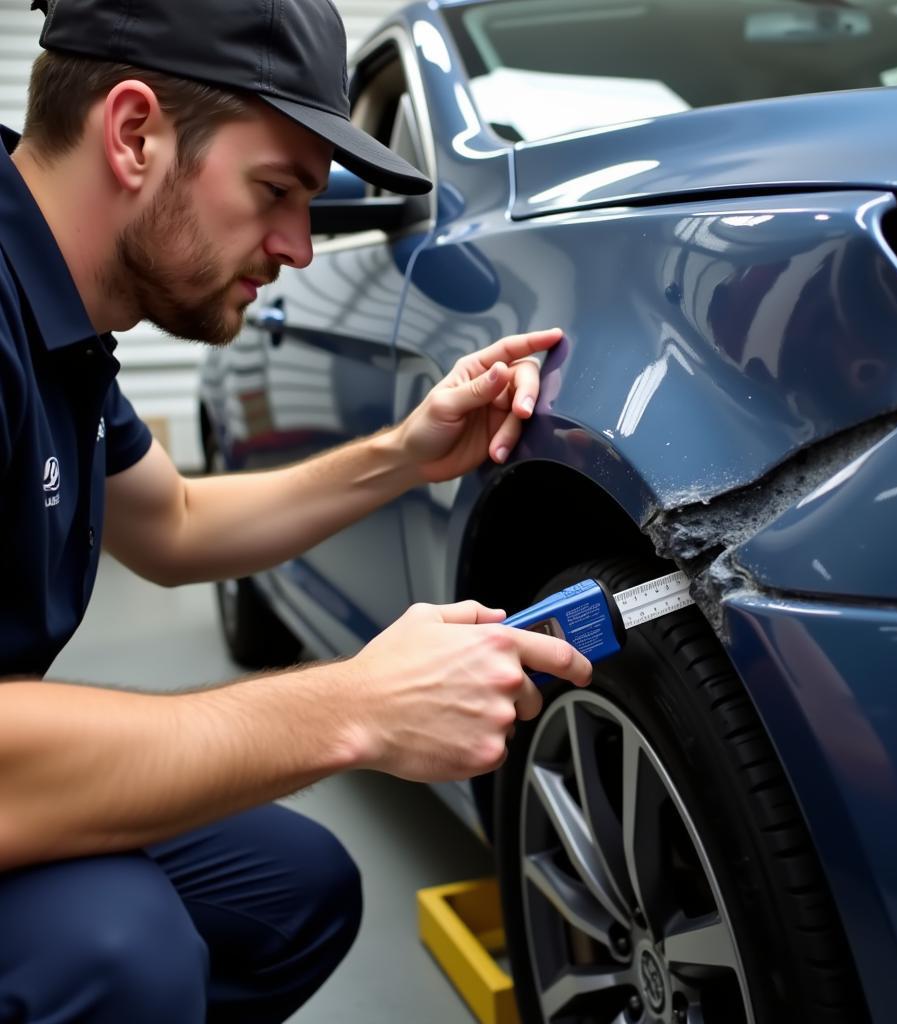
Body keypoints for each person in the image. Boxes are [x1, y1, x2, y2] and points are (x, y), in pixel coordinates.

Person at [0, 0, 593, 1020]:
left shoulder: (62, 314)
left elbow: (176, 522)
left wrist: (404, 454)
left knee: (295, 893)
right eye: (274, 190)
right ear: (134, 133)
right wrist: (357, 706)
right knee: (118, 948)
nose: (299, 248)